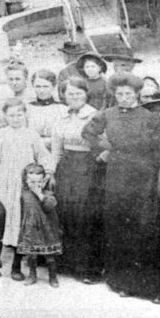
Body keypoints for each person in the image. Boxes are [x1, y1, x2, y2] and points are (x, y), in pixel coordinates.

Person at [81, 72, 160, 302]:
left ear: (137, 94)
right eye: (120, 94)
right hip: (117, 176)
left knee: (145, 229)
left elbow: (159, 149)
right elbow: (88, 132)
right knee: (120, 229)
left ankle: (150, 288)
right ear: (114, 94)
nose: (124, 97)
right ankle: (124, 283)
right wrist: (103, 150)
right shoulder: (108, 114)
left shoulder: (150, 117)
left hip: (143, 176)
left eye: (129, 93)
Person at [0, 98, 54, 281]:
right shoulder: (0, 134)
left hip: (24, 187)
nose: (15, 118)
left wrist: (46, 174)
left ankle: (16, 267)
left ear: (25, 114)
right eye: (11, 115)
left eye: (19, 114)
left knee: (20, 225)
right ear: (4, 116)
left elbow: (44, 156)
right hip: (4, 185)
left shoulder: (32, 135)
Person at [50, 77, 103, 284]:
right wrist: (51, 173)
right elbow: (56, 149)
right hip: (66, 168)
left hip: (88, 167)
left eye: (78, 93)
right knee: (66, 213)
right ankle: (67, 262)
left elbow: (103, 144)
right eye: (70, 94)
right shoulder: (61, 117)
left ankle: (88, 268)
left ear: (86, 94)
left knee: (85, 216)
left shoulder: (94, 116)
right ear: (64, 95)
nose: (74, 97)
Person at [16, 163, 62, 288]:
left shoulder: (48, 194)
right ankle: (32, 275)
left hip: (46, 229)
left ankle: (53, 277)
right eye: (31, 182)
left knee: (50, 257)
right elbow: (22, 211)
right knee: (31, 255)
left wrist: (39, 194)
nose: (35, 185)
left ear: (43, 181)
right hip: (30, 228)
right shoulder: (24, 195)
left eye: (38, 182)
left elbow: (49, 206)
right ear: (25, 181)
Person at [26, 70, 67, 150]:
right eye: (38, 86)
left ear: (54, 86)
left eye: (45, 86)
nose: (41, 91)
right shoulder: (27, 108)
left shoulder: (62, 109)